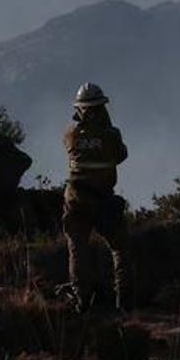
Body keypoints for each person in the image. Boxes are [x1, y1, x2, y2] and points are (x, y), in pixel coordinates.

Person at [59, 83, 130, 312]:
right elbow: (121, 155)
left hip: (76, 199)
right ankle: (124, 301)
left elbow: (72, 145)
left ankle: (82, 300)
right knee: (120, 248)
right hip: (103, 200)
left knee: (77, 248)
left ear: (80, 109)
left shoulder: (70, 134)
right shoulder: (111, 135)